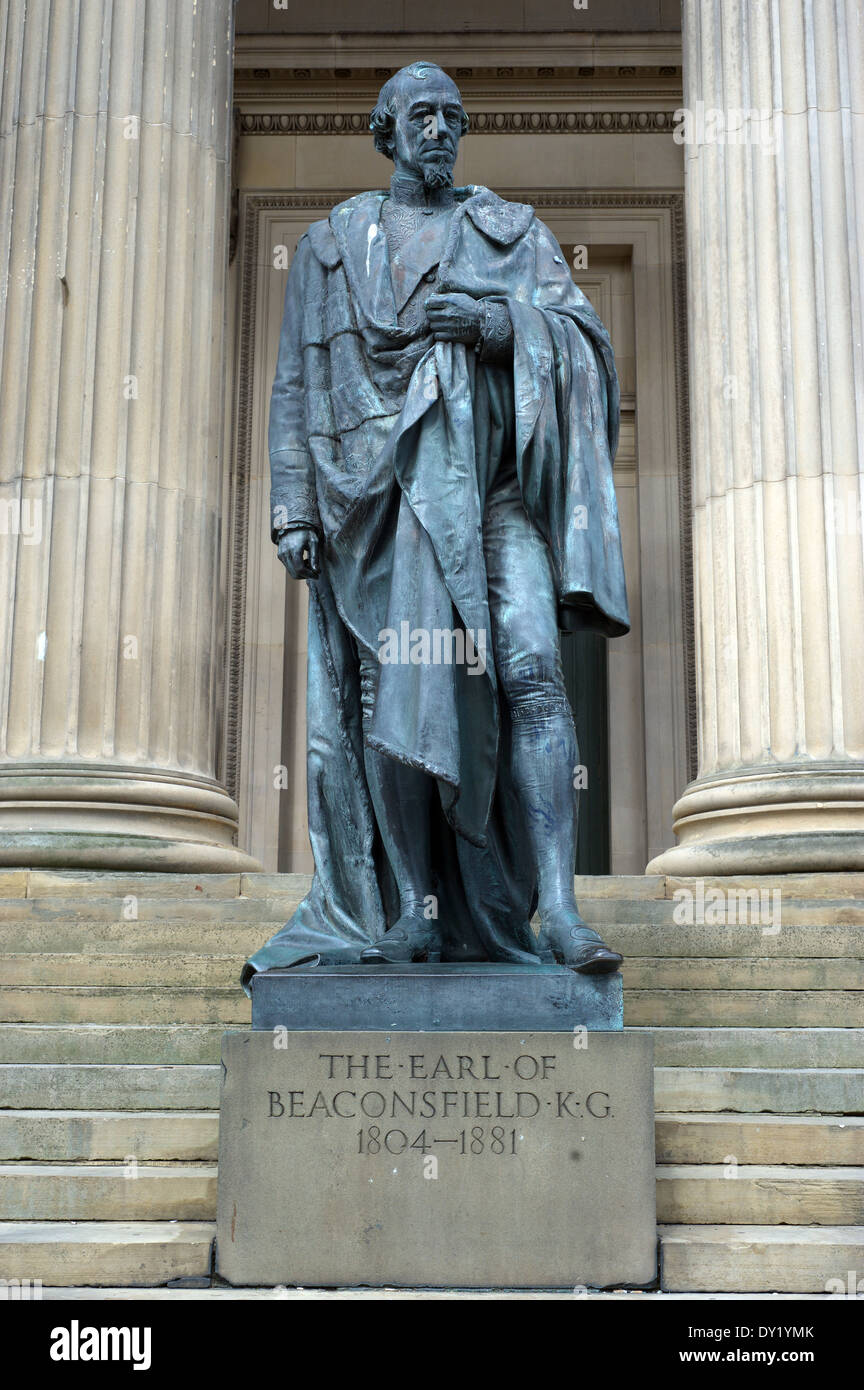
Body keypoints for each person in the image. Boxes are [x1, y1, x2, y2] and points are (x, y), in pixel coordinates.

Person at [241, 62, 630, 995]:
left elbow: (585, 349)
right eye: (421, 115)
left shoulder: (509, 233)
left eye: (453, 117)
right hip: (373, 503)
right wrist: (292, 504)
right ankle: (412, 910)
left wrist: (500, 325)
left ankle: (560, 910)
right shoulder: (332, 247)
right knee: (395, 699)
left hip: (491, 497)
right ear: (385, 129)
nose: (440, 130)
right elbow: (294, 385)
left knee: (534, 669)